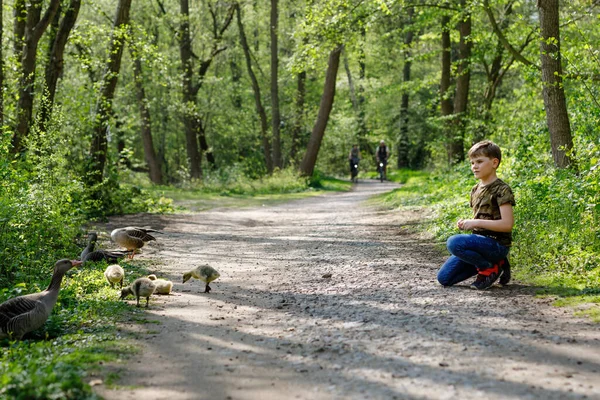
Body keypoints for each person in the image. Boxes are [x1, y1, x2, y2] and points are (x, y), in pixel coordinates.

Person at [436, 140, 515, 290]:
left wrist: (475, 222)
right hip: (480, 245)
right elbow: (481, 218)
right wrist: (466, 223)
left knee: (453, 242)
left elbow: (507, 224)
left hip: (496, 244)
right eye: (472, 163)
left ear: (494, 163)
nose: (474, 166)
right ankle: (493, 264)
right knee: (444, 278)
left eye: (479, 161)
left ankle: (489, 267)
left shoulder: (502, 190)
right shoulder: (475, 189)